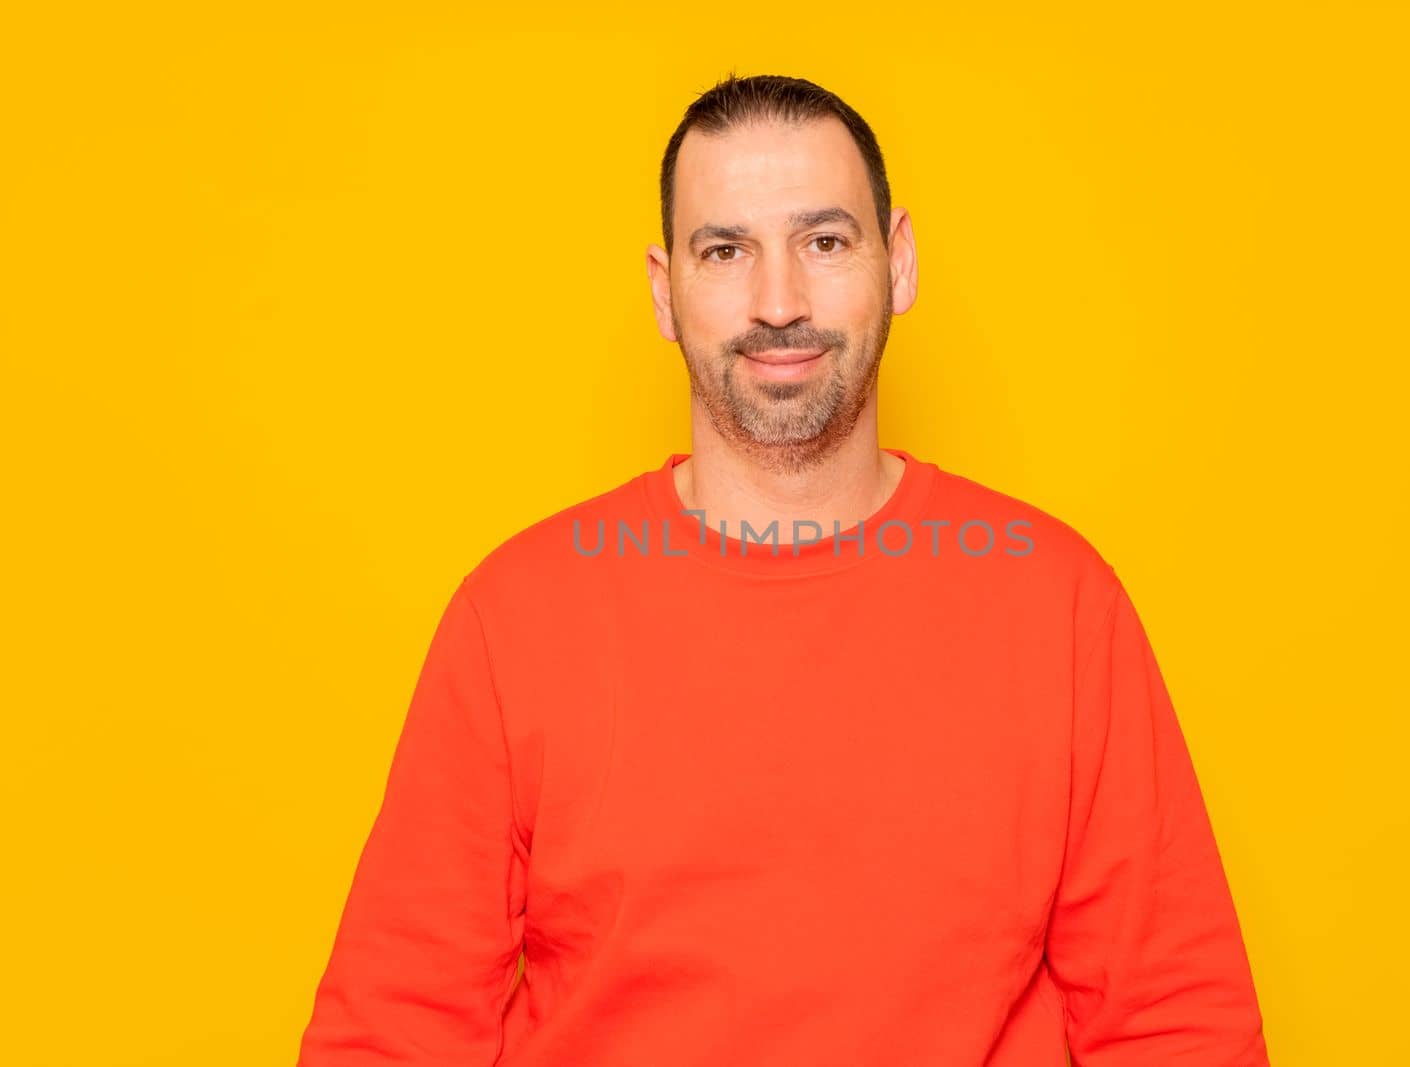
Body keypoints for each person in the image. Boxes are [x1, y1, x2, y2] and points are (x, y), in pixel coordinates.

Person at [296, 72, 1270, 1065]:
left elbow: (1174, 1020)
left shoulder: (1060, 605)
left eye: (824, 241)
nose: (778, 302)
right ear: (663, 288)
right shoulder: (515, 618)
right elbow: (392, 1029)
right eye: (725, 250)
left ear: (897, 264)